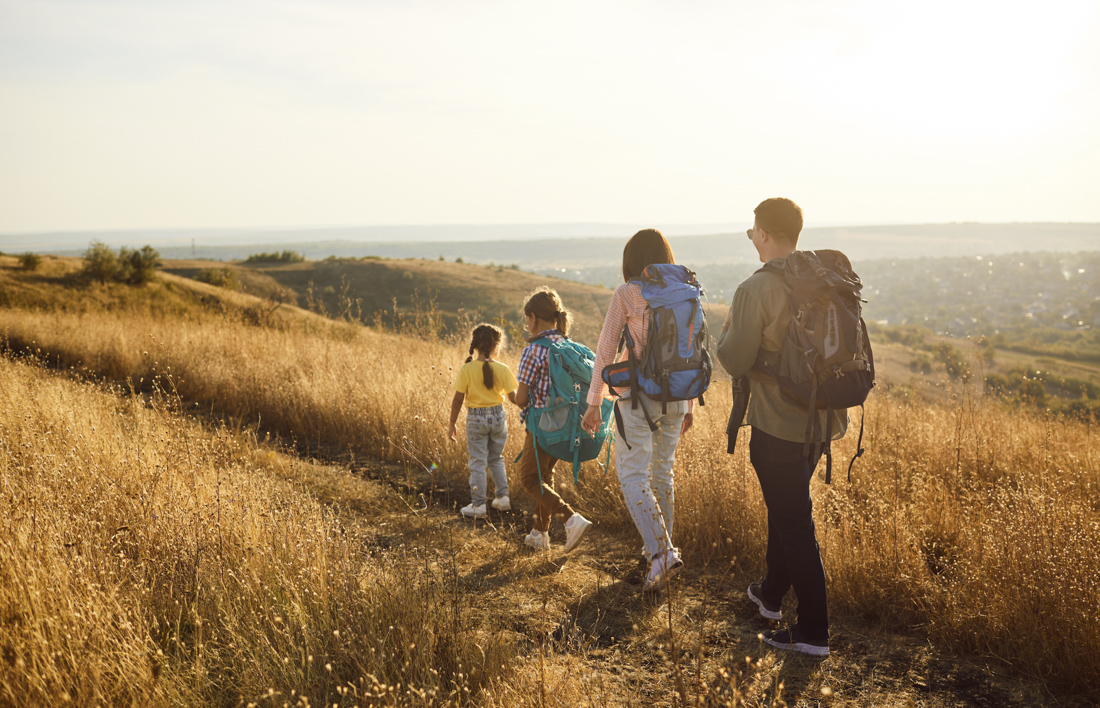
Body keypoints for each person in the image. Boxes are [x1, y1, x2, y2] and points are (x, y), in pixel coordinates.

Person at [716, 197, 846, 657]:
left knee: (794, 522)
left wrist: (725, 331)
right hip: (822, 421)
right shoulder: (821, 280)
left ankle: (813, 631)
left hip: (778, 424)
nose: (753, 239)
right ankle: (770, 595)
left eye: (753, 232)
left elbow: (734, 360)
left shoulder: (757, 288)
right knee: (786, 510)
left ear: (764, 234)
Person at [581, 229, 694, 592]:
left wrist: (594, 402)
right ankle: (657, 554)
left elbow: (605, 350)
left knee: (633, 477)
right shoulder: (687, 290)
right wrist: (688, 404)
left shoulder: (628, 293)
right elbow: (690, 352)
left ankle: (662, 553)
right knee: (662, 474)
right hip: (676, 397)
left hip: (638, 398)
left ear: (632, 259)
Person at [514, 288, 593, 552]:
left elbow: (523, 399)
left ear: (533, 318)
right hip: (566, 425)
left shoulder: (533, 350)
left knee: (529, 479)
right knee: (544, 477)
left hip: (541, 427)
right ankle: (539, 535)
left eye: (527, 319)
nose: (528, 324)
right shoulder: (567, 345)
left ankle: (571, 519)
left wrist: (509, 395)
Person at [449, 323, 518, 518]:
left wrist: (452, 423)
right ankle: (503, 499)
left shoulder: (467, 369)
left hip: (476, 419)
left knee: (477, 462)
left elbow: (457, 399)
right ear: (497, 346)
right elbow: (514, 399)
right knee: (496, 459)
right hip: (498, 417)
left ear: (475, 345)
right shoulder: (503, 369)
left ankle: (479, 506)